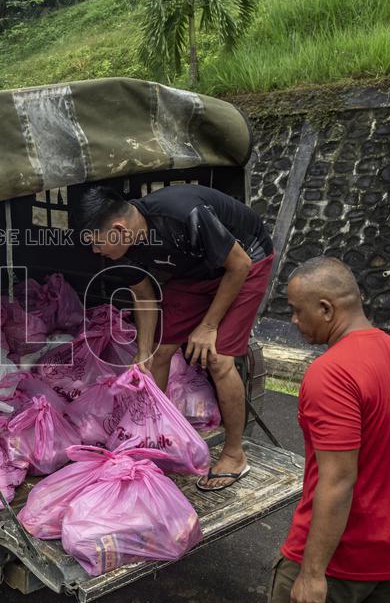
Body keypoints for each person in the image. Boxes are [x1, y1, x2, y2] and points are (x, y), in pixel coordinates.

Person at [263, 257, 390, 603]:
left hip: (338, 562)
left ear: (326, 308)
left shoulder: (332, 373)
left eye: (296, 311)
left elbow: (338, 481)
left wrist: (311, 574)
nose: (293, 321)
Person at [77, 183, 274, 491]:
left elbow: (239, 265)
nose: (94, 251)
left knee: (219, 359)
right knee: (156, 355)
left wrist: (208, 327)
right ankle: (153, 442)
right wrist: (143, 350)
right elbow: (144, 296)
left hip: (244, 262)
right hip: (194, 274)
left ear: (117, 229)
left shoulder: (183, 213)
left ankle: (235, 455)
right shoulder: (123, 247)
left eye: (96, 242)